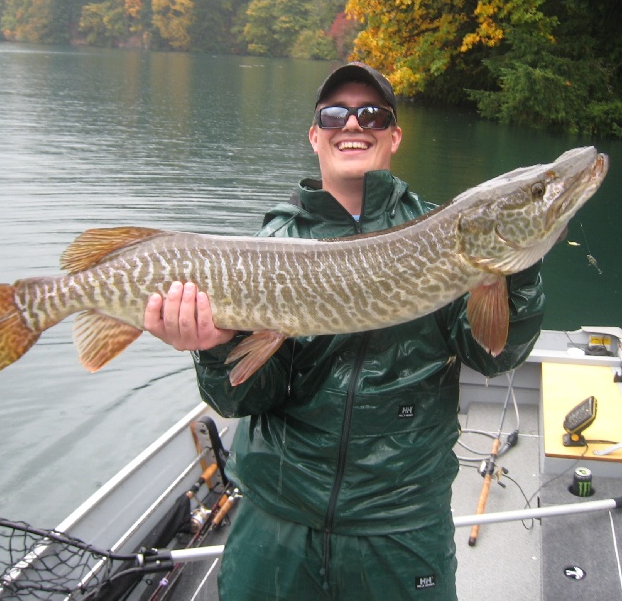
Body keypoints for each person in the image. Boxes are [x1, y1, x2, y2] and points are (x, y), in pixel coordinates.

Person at [144, 62, 545, 600]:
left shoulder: (445, 234)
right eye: (335, 114)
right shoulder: (273, 242)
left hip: (400, 526)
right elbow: (242, 398)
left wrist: (517, 264)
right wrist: (215, 348)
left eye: (372, 114)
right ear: (315, 136)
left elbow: (495, 354)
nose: (352, 124)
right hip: (278, 519)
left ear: (394, 136)